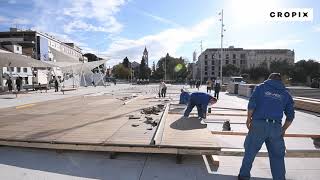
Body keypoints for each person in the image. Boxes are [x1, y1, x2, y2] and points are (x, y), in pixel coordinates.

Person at [238, 73, 295, 180]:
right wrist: (283, 129)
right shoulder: (286, 94)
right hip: (275, 127)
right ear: (280, 81)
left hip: (258, 124)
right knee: (277, 157)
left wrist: (248, 119)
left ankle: (244, 176)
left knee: (250, 152)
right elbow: (290, 116)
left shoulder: (261, 88)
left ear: (269, 79)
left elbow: (251, 105)